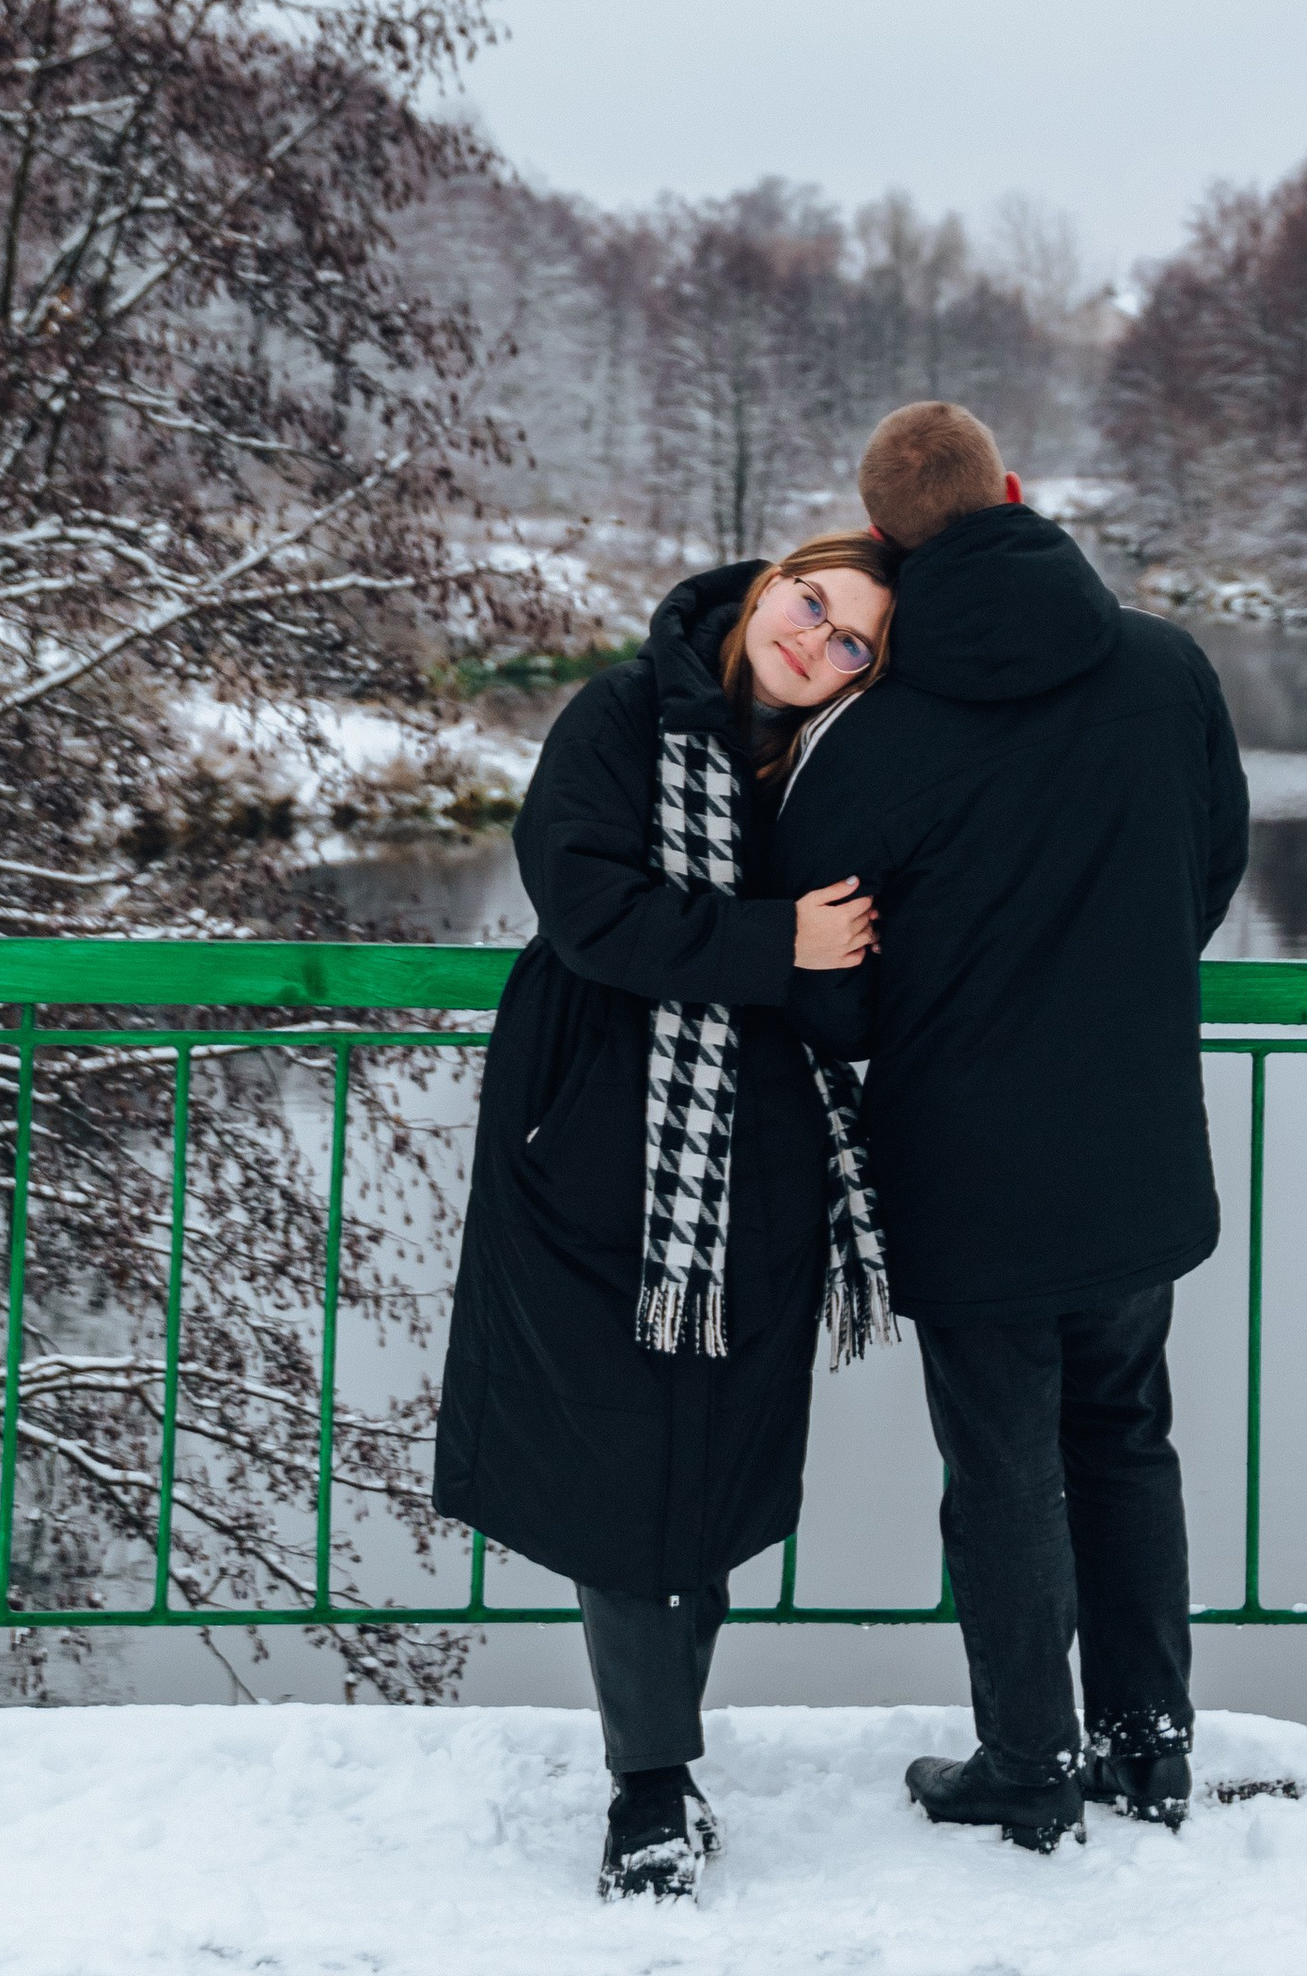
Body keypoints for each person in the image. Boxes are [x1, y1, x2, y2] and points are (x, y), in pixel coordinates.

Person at [774, 402, 1250, 1854]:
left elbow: (824, 971)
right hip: (1133, 1133)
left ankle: (1030, 1765)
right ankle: (1153, 1750)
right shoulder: (1168, 671)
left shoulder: (870, 733)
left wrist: (909, 1029)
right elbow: (1208, 870)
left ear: (893, 555)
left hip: (963, 1158)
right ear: (1016, 496)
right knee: (1126, 1441)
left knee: (1001, 1471)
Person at [433, 533, 897, 1905]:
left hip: (756, 1155)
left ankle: (663, 1752)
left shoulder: (841, 767)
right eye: (815, 606)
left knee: (708, 1466)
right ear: (774, 586)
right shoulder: (626, 712)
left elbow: (860, 972)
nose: (818, 642)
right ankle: (649, 1785)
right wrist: (771, 944)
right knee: (623, 1463)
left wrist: (830, 973)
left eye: (856, 640)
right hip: (591, 1134)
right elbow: (583, 901)